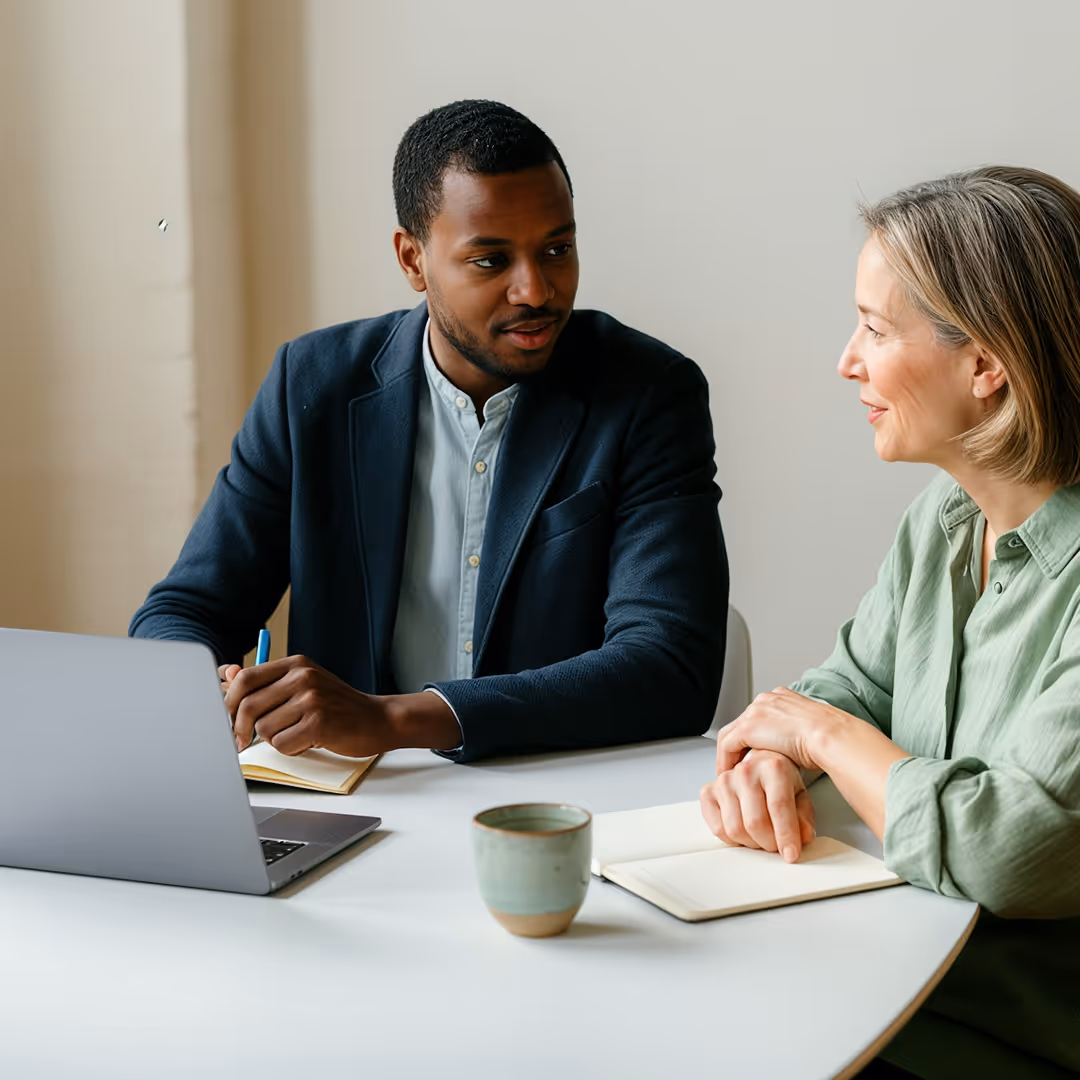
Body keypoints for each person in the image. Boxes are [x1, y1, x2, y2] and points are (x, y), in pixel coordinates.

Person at [130, 99, 728, 764]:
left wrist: (394, 719)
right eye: (490, 260)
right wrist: (209, 687)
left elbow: (670, 668)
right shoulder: (313, 385)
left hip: (554, 802)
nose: (535, 289)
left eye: (556, 248)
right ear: (413, 259)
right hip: (356, 805)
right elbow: (184, 608)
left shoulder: (647, 393)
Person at [700, 167, 1080, 1079]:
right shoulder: (941, 519)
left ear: (987, 363)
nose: (847, 359)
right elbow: (848, 684)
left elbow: (1012, 846)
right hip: (874, 978)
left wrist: (821, 735)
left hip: (1002, 1041)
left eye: (874, 328)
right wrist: (773, 757)